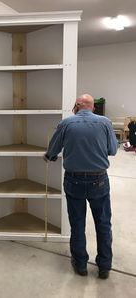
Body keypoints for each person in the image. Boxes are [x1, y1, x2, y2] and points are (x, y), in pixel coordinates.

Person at [44, 94, 118, 279]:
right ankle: (104, 266)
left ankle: (81, 264)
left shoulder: (66, 123)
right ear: (93, 107)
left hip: (73, 180)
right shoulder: (105, 122)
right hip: (99, 180)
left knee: (77, 224)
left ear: (76, 106)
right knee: (103, 223)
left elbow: (53, 149)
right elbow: (113, 150)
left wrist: (50, 156)